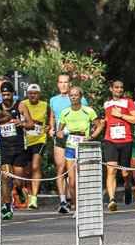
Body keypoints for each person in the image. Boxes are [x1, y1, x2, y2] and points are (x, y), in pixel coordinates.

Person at [55, 86, 101, 210]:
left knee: (84, 177)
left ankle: (87, 204)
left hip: (84, 146)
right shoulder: (65, 112)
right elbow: (59, 131)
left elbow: (99, 125)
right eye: (71, 95)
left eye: (76, 95)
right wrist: (60, 133)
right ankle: (76, 206)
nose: (73, 97)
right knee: (72, 180)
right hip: (70, 146)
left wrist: (92, 136)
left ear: (81, 97)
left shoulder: (88, 111)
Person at [100, 79, 135, 212]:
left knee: (125, 172)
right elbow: (105, 120)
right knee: (111, 170)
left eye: (121, 87)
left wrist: (121, 115)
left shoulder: (128, 102)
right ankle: (112, 199)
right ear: (111, 89)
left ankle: (127, 185)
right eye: (116, 87)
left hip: (125, 141)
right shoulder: (106, 104)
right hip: (110, 140)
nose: (119, 90)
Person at [47, 72, 81, 214]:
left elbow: (86, 116)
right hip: (60, 138)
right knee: (60, 168)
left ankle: (76, 201)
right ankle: (62, 201)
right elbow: (53, 116)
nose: (63, 85)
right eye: (61, 82)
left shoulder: (78, 98)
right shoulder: (53, 100)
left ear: (70, 84)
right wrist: (51, 128)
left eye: (66, 82)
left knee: (74, 172)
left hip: (74, 139)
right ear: (57, 84)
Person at [0, 82, 28, 220]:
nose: (6, 97)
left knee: (18, 181)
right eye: (3, 95)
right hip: (4, 147)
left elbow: (31, 124)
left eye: (8, 94)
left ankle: (20, 190)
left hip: (18, 146)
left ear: (13, 94)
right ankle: (7, 206)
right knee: (6, 178)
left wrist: (21, 123)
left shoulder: (20, 105)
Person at [18, 83, 47, 209]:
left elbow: (51, 119)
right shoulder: (22, 104)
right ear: (27, 94)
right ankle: (27, 194)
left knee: (36, 166)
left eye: (35, 93)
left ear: (39, 94)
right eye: (30, 93)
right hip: (25, 140)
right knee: (26, 170)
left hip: (39, 139)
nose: (33, 96)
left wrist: (50, 126)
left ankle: (34, 197)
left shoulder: (45, 105)